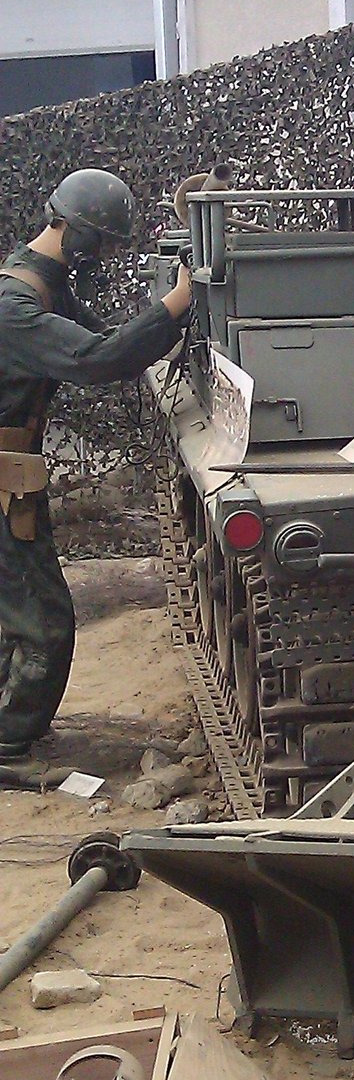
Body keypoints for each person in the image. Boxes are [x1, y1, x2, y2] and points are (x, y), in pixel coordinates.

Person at [0, 170, 192, 762]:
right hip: (7, 479)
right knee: (46, 621)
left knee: (15, 609)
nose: (106, 257)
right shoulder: (17, 304)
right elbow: (94, 358)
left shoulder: (42, 281)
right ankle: (9, 741)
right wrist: (173, 307)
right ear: (82, 237)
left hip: (14, 473)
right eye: (105, 245)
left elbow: (105, 340)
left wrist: (165, 328)